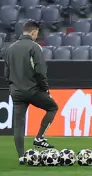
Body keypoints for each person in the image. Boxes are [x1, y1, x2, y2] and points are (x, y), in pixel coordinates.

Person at [7, 20, 58, 158]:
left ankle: (21, 156)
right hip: (32, 90)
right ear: (34, 32)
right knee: (52, 107)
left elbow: (7, 72)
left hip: (16, 91)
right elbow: (40, 71)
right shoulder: (34, 47)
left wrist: (12, 86)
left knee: (18, 124)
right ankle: (39, 138)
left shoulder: (11, 48)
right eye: (37, 34)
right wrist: (45, 89)